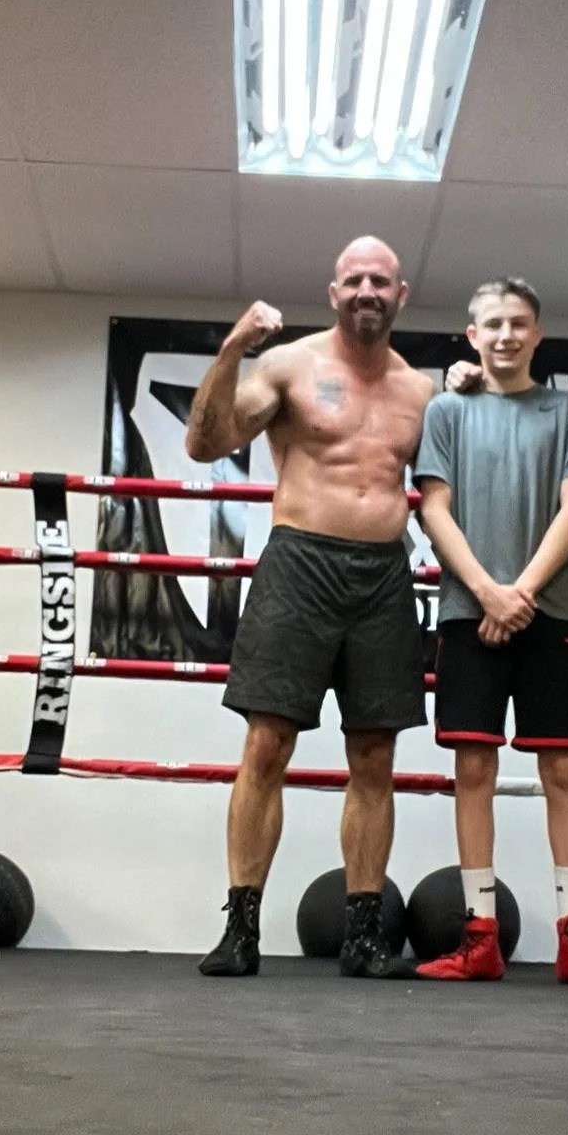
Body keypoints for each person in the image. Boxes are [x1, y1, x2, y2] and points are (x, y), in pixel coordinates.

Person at [184, 237, 433, 979]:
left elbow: (450, 487)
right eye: (354, 278)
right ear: (334, 292)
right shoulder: (288, 365)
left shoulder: (422, 392)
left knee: (375, 756)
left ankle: (362, 936)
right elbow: (206, 444)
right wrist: (231, 349)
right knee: (266, 746)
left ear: (400, 295)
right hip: (299, 565)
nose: (366, 290)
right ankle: (241, 929)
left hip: (383, 575)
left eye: (379, 281)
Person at [414, 279, 568, 986]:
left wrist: (522, 593)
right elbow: (433, 509)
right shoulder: (446, 409)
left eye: (519, 324)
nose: (506, 335)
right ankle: (478, 936)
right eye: (492, 325)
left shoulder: (565, 410)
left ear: (537, 335)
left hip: (551, 614)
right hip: (467, 610)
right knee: (472, 770)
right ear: (471, 336)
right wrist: (486, 590)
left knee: (563, 770)